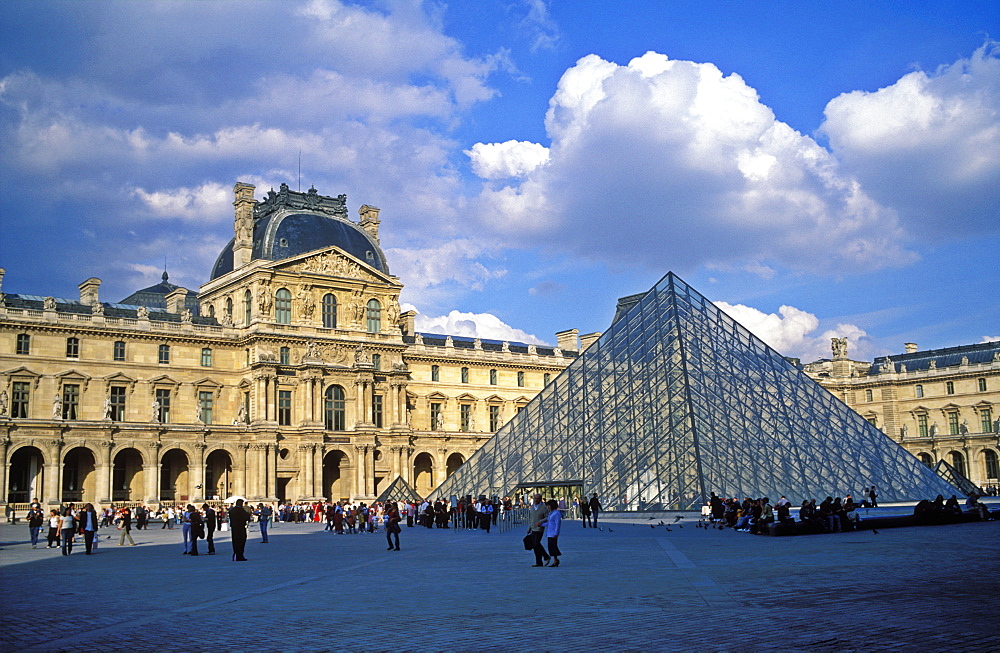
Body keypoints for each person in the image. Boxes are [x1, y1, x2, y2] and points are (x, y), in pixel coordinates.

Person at [527, 494, 551, 567]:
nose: (535, 500)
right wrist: (529, 528)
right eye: (535, 498)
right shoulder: (532, 507)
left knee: (536, 543)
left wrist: (541, 522)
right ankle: (538, 562)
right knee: (535, 545)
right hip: (533, 527)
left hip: (539, 528)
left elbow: (547, 517)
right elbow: (531, 519)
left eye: (537, 499)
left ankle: (546, 556)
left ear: (540, 499)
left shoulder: (544, 507)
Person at [538, 499, 563, 567]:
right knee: (551, 547)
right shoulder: (551, 513)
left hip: (553, 533)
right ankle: (555, 559)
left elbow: (558, 524)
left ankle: (555, 560)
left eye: (548, 506)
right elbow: (549, 522)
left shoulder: (556, 513)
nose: (548, 507)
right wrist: (541, 524)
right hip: (549, 532)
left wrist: (556, 533)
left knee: (553, 546)